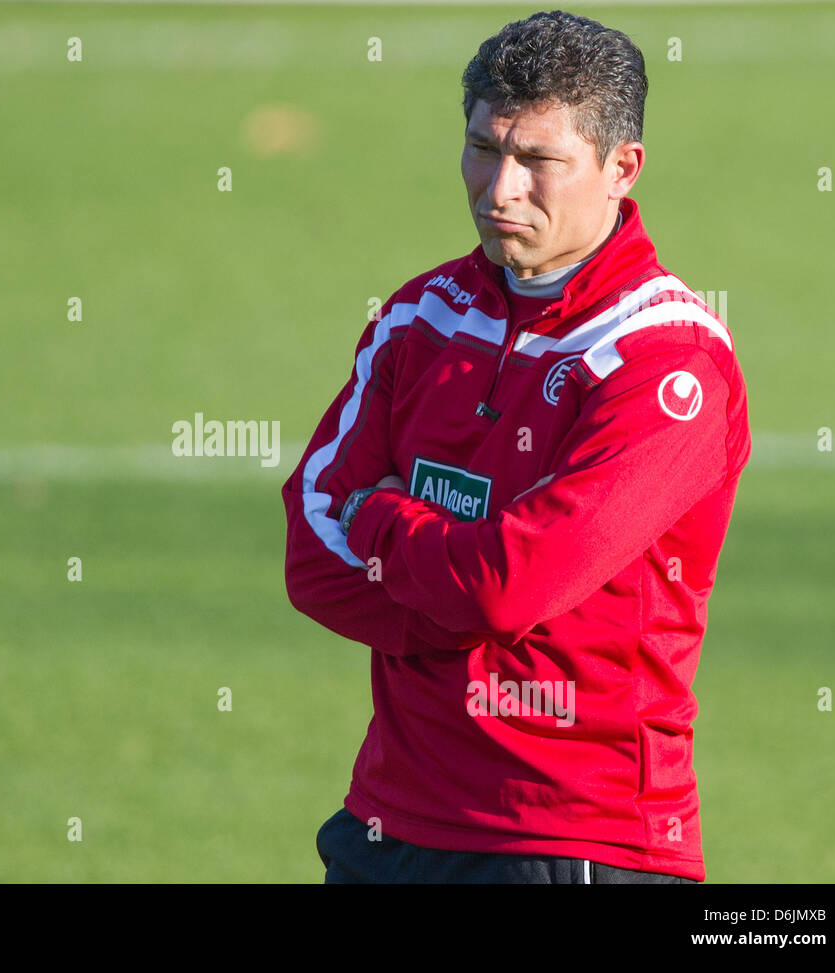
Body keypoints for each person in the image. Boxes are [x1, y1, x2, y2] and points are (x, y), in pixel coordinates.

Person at [281, 9, 751, 884]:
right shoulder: (417, 318)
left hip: (570, 840)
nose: (499, 189)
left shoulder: (666, 363)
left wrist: (380, 516)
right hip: (386, 822)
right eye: (482, 147)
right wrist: (465, 586)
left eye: (538, 161)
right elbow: (310, 559)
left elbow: (509, 584)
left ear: (622, 169)